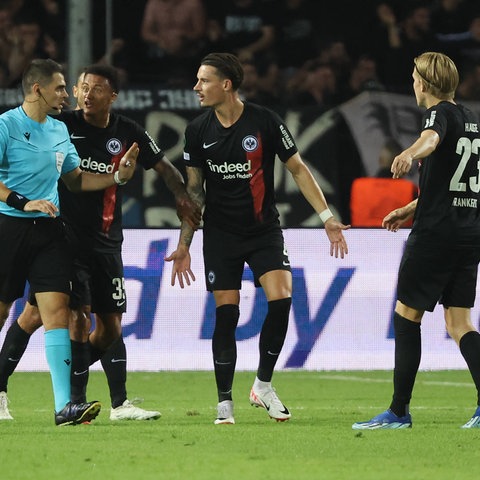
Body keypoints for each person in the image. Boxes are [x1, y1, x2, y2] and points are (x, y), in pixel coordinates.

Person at [0, 63, 201, 422]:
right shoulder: (38, 124)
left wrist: (144, 185)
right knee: (50, 316)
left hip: (87, 238)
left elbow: (84, 178)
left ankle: (86, 404)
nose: (80, 95)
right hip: (44, 234)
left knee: (91, 323)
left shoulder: (104, 131)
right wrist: (21, 201)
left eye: (92, 88)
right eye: (74, 87)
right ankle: (70, 399)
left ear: (112, 96)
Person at [165, 52, 350, 425]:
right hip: (220, 235)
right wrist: (185, 243)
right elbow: (195, 193)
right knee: (227, 314)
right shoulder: (197, 130)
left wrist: (328, 218)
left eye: (203, 81)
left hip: (263, 229)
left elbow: (297, 169)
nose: (196, 87)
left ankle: (262, 385)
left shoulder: (265, 121)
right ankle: (224, 404)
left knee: (281, 299)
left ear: (226, 85)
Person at [0, 58, 139, 425]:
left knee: (58, 314)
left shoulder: (59, 130)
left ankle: (65, 407)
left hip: (49, 232)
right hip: (9, 228)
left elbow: (76, 180)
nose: (68, 94)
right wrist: (22, 201)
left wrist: (117, 179)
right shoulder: (6, 126)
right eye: (62, 87)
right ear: (38, 89)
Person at [352, 51, 480, 430]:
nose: (413, 83)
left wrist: (409, 152)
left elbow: (430, 138)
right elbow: (454, 185)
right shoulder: (471, 121)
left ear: (422, 83)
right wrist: (411, 207)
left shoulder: (437, 114)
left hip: (435, 236)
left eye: (413, 77)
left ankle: (398, 412)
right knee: (460, 323)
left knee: (407, 317)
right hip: (468, 233)